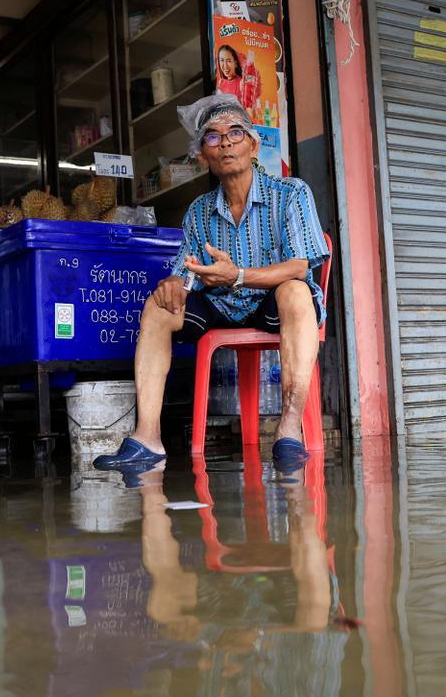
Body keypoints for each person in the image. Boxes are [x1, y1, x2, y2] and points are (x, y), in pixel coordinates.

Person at [95, 93, 329, 472]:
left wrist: (238, 275)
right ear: (203, 156)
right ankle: (147, 439)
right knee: (158, 306)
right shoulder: (199, 211)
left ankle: (288, 429)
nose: (226, 142)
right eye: (213, 137)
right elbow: (185, 272)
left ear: (253, 144)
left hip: (274, 305)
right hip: (221, 307)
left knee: (296, 290)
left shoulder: (291, 194)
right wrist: (172, 283)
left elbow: (300, 267)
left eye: (235, 132)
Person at [215, 44, 261, 114]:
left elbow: (252, 110)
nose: (225, 66)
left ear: (236, 63)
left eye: (229, 61)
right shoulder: (220, 83)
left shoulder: (242, 83)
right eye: (221, 60)